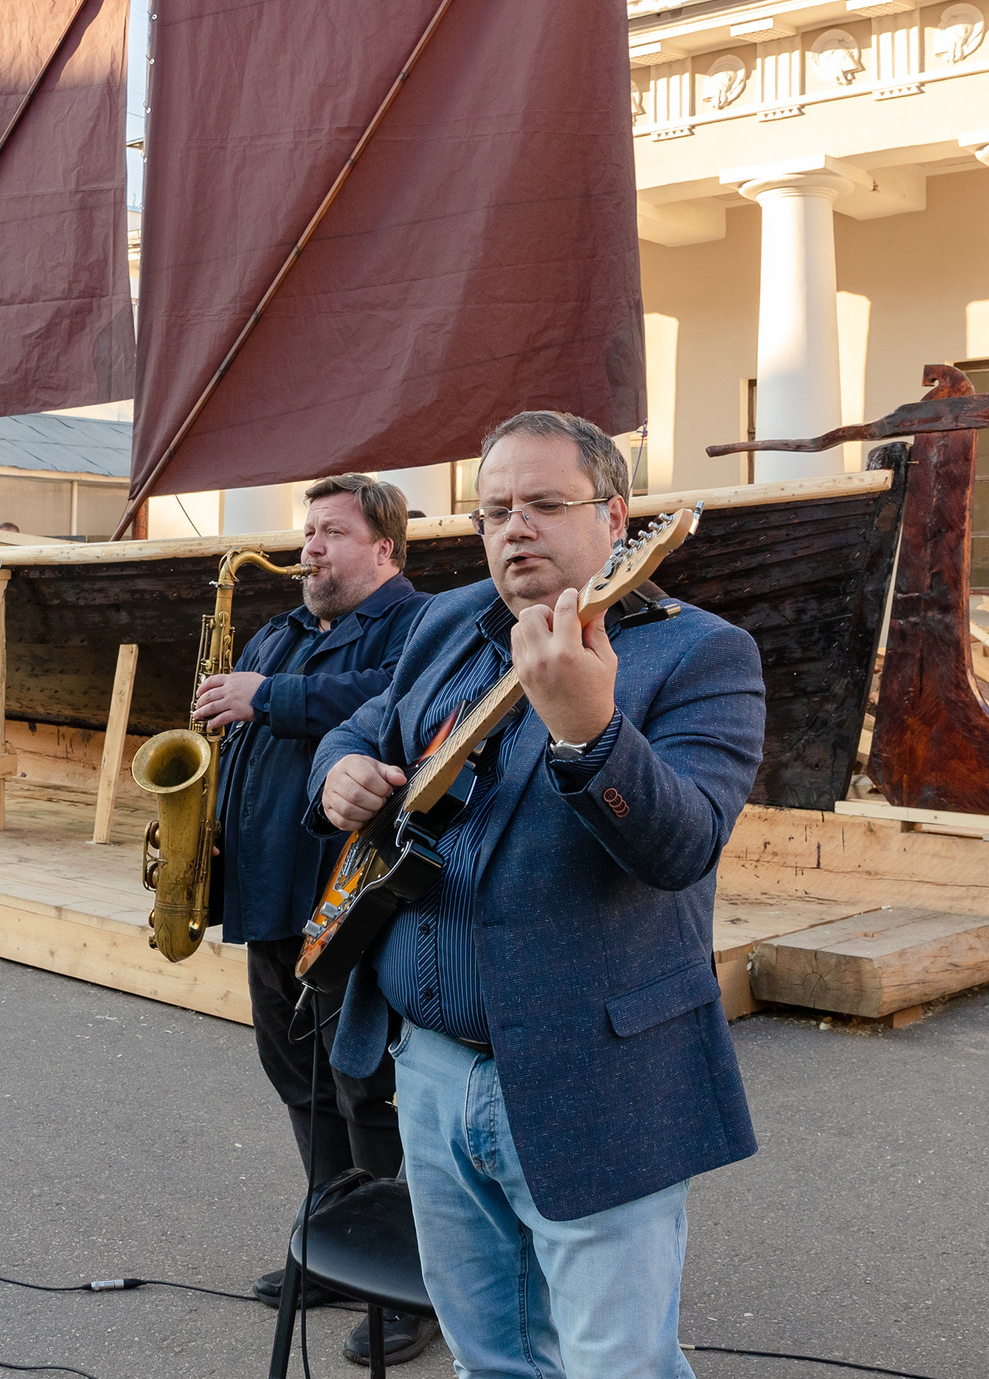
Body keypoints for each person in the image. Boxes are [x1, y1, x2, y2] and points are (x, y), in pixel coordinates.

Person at [310, 411, 766, 1378]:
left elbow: (682, 846)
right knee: (492, 1359)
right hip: (430, 1072)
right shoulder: (449, 620)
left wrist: (589, 730)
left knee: (616, 1367)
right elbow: (364, 725)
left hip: (595, 1074)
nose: (514, 528)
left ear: (615, 513)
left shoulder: (703, 656)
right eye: (494, 511)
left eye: (544, 504)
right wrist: (339, 772)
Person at [192, 475, 434, 1363]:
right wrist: (210, 831)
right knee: (295, 1075)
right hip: (266, 892)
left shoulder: (421, 625)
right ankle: (336, 1246)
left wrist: (267, 697)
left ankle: (409, 1273)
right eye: (309, 531)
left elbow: (400, 706)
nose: (311, 548)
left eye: (332, 532)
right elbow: (246, 738)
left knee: (364, 1083)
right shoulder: (278, 631)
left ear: (386, 549)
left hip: (354, 898)